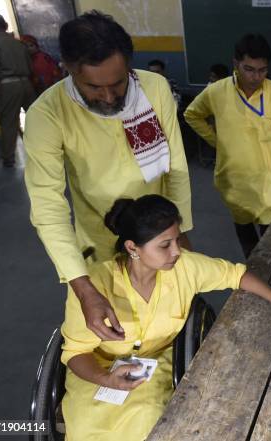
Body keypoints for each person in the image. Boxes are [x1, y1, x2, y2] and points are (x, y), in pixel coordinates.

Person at [61, 194, 271, 441]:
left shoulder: (184, 267)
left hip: (154, 363)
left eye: (177, 240)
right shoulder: (94, 286)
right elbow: (75, 352)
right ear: (133, 248)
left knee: (147, 417)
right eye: (165, 245)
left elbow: (235, 274)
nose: (177, 251)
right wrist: (106, 378)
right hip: (97, 369)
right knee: (86, 425)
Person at [24, 10, 193, 342]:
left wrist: (181, 231)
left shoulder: (154, 89)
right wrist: (83, 287)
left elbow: (176, 170)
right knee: (118, 335)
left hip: (158, 234)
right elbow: (48, 208)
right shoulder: (47, 114)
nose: (110, 97)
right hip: (100, 245)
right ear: (69, 69)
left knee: (170, 320)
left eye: (118, 83)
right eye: (94, 87)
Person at [185, 33, 271, 258]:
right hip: (233, 179)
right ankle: (255, 270)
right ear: (236, 64)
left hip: (267, 181)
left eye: (262, 70)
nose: (255, 76)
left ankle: (270, 274)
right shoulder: (217, 91)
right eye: (249, 69)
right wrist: (216, 141)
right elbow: (192, 114)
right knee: (244, 231)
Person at [0, 12, 36, 167]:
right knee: (37, 118)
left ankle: (9, 158)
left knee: (9, 123)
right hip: (27, 85)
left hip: (9, 86)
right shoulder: (19, 43)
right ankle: (48, 148)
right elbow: (30, 67)